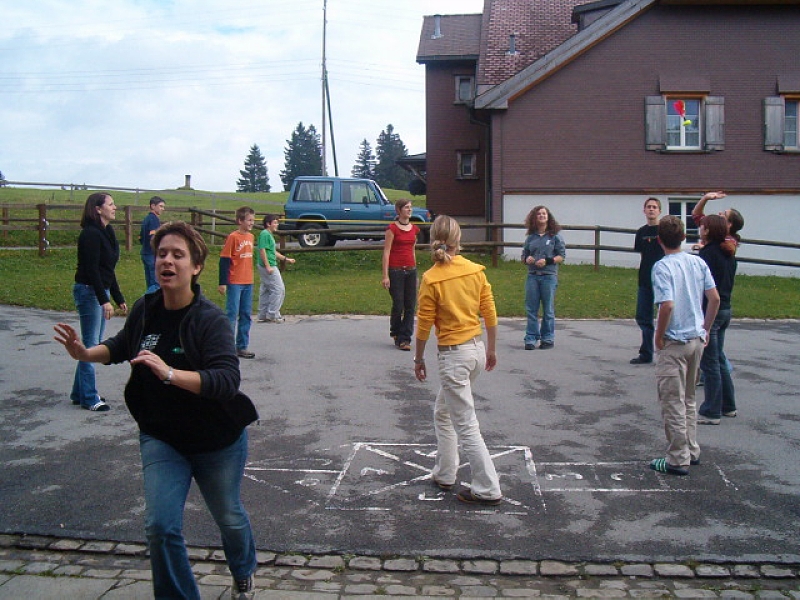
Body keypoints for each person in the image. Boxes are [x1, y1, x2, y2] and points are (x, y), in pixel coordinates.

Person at [54, 221, 259, 600]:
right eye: (162, 253)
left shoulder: (209, 319)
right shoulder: (146, 308)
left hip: (216, 439)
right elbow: (122, 344)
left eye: (178, 255)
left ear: (196, 266)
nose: (167, 261)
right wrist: (85, 353)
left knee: (229, 516)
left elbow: (226, 380)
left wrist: (170, 373)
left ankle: (243, 570)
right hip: (162, 436)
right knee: (161, 527)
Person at [414, 215, 503, 506]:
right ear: (458, 240)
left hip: (454, 356)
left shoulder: (432, 278)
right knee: (443, 412)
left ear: (433, 240)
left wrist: (418, 358)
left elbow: (424, 324)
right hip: (475, 351)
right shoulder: (475, 271)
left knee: (465, 423)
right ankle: (445, 472)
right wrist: (491, 349)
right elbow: (489, 312)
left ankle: (488, 487)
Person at [650, 215, 720, 476]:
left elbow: (667, 305)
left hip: (676, 341)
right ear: (683, 237)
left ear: (659, 240)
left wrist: (659, 335)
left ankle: (678, 458)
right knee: (689, 398)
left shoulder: (662, 267)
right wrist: (706, 328)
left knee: (673, 401)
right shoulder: (697, 262)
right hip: (696, 340)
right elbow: (714, 298)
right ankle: (691, 449)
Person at [70, 192, 127, 412]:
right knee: (91, 345)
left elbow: (108, 269)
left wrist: (117, 297)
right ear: (98, 209)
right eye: (111, 204)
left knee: (91, 345)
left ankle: (79, 392)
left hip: (100, 290)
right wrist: (104, 300)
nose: (115, 207)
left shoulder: (108, 232)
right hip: (88, 291)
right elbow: (92, 270)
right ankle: (89, 398)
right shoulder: (90, 234)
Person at [697, 214, 738, 425]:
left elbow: (702, 286)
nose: (700, 228)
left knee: (710, 363)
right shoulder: (728, 253)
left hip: (712, 311)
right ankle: (728, 405)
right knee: (719, 359)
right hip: (726, 309)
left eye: (702, 226)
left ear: (708, 230)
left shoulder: (707, 255)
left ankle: (711, 410)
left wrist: (704, 321)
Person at [521, 206, 566, 350]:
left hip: (548, 276)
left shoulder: (555, 236)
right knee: (531, 308)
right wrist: (527, 259)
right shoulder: (531, 237)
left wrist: (548, 261)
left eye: (544, 213)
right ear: (534, 217)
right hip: (533, 276)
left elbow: (561, 256)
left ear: (548, 217)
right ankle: (531, 338)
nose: (542, 215)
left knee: (548, 309)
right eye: (539, 214)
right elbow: (524, 255)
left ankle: (547, 338)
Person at [382, 199, 420, 351]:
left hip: (410, 270)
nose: (409, 210)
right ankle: (396, 331)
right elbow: (386, 252)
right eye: (406, 207)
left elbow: (413, 251)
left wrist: (415, 272)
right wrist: (385, 275)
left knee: (410, 305)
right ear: (399, 210)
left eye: (410, 207)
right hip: (395, 270)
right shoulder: (392, 229)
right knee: (398, 304)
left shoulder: (414, 229)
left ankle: (405, 338)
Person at [219, 207, 256, 359]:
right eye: (249, 220)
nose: (251, 223)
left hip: (248, 280)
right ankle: (226, 347)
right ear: (240, 221)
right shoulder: (233, 237)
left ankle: (242, 346)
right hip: (235, 281)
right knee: (232, 314)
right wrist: (223, 282)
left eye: (253, 220)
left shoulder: (251, 237)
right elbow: (224, 260)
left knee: (246, 314)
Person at [631, 198, 665, 364]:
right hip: (645, 279)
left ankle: (667, 353)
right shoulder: (641, 232)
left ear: (659, 211)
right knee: (643, 317)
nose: (651, 209)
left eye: (654, 207)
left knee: (667, 317)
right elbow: (641, 252)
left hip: (662, 280)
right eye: (649, 207)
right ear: (644, 210)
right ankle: (646, 353)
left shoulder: (664, 231)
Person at [256, 213, 295, 324]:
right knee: (278, 289)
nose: (277, 224)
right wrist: (268, 266)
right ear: (268, 224)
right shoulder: (265, 234)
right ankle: (273, 314)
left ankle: (263, 314)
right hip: (268, 266)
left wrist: (286, 259)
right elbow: (262, 250)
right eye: (275, 222)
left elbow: (272, 251)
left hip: (268, 265)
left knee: (266, 289)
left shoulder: (268, 235)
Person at [691, 190, 744, 256]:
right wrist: (705, 198)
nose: (719, 213)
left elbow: (725, 250)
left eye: (724, 214)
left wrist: (704, 247)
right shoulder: (713, 228)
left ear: (729, 224)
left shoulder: (729, 240)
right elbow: (696, 215)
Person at [140, 196, 166, 293]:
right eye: (161, 206)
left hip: (145, 253)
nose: (163, 209)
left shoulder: (146, 219)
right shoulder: (154, 219)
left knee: (150, 283)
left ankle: (149, 300)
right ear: (153, 206)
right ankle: (146, 300)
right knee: (156, 284)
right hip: (151, 254)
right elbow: (153, 237)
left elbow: (140, 237)